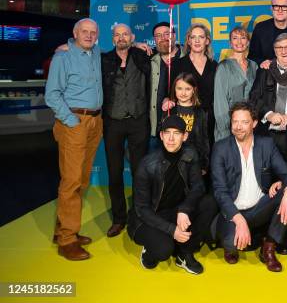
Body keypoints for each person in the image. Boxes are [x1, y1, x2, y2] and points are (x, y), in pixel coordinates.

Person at [210, 102, 287, 272]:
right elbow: (220, 192)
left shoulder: (266, 144)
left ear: (255, 123)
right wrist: (239, 219)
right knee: (232, 245)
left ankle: (269, 247)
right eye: (235, 122)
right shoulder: (221, 148)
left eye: (244, 122)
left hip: (259, 208)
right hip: (233, 212)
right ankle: (244, 234)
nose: (238, 127)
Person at [127, 115, 218, 275]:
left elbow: (198, 186)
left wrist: (184, 208)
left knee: (209, 202)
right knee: (163, 250)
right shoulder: (147, 165)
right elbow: (142, 209)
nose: (171, 138)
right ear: (161, 136)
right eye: (167, 133)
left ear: (185, 136)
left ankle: (184, 253)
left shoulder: (190, 154)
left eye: (176, 133)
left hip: (175, 210)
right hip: (148, 218)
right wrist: (172, 230)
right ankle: (149, 252)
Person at [45, 18, 103, 260]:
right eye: (84, 32)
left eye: (93, 32)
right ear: (75, 33)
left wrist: (139, 44)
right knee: (70, 181)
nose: (89, 36)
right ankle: (67, 240)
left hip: (94, 122)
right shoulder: (63, 57)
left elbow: (121, 47)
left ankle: (63, 231)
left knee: (81, 179)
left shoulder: (96, 52)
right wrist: (70, 121)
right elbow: (52, 94)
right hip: (74, 122)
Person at [101, 23, 151, 238]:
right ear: (113, 39)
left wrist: (144, 46)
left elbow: (170, 50)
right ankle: (119, 218)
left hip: (138, 121)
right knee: (114, 173)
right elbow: (81, 51)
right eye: (117, 35)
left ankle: (140, 216)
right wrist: (65, 47)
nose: (121, 38)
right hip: (113, 122)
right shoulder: (103, 60)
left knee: (140, 172)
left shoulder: (142, 56)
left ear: (132, 37)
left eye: (125, 34)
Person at [171, 23, 217, 150]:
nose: (197, 41)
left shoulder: (214, 65)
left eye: (201, 37)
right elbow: (169, 92)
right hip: (185, 119)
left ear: (207, 41)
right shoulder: (178, 64)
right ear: (188, 41)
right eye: (193, 37)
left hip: (208, 122)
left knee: (207, 159)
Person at [213, 26, 258, 141]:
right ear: (230, 43)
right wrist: (229, 127)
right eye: (235, 38)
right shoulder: (223, 66)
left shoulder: (254, 66)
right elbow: (220, 101)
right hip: (229, 129)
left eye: (243, 38)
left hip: (249, 126)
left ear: (248, 42)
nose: (239, 42)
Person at [167, 73, 210, 180]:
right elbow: (162, 136)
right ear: (174, 89)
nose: (183, 93)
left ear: (194, 90)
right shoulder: (169, 111)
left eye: (188, 89)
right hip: (172, 161)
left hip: (193, 162)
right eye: (179, 88)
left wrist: (204, 164)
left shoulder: (200, 113)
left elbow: (204, 140)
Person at [149, 22, 184, 145]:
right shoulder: (148, 58)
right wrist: (135, 44)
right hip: (155, 129)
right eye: (158, 35)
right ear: (154, 39)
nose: (163, 38)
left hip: (182, 128)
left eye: (166, 34)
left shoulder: (188, 58)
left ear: (174, 36)